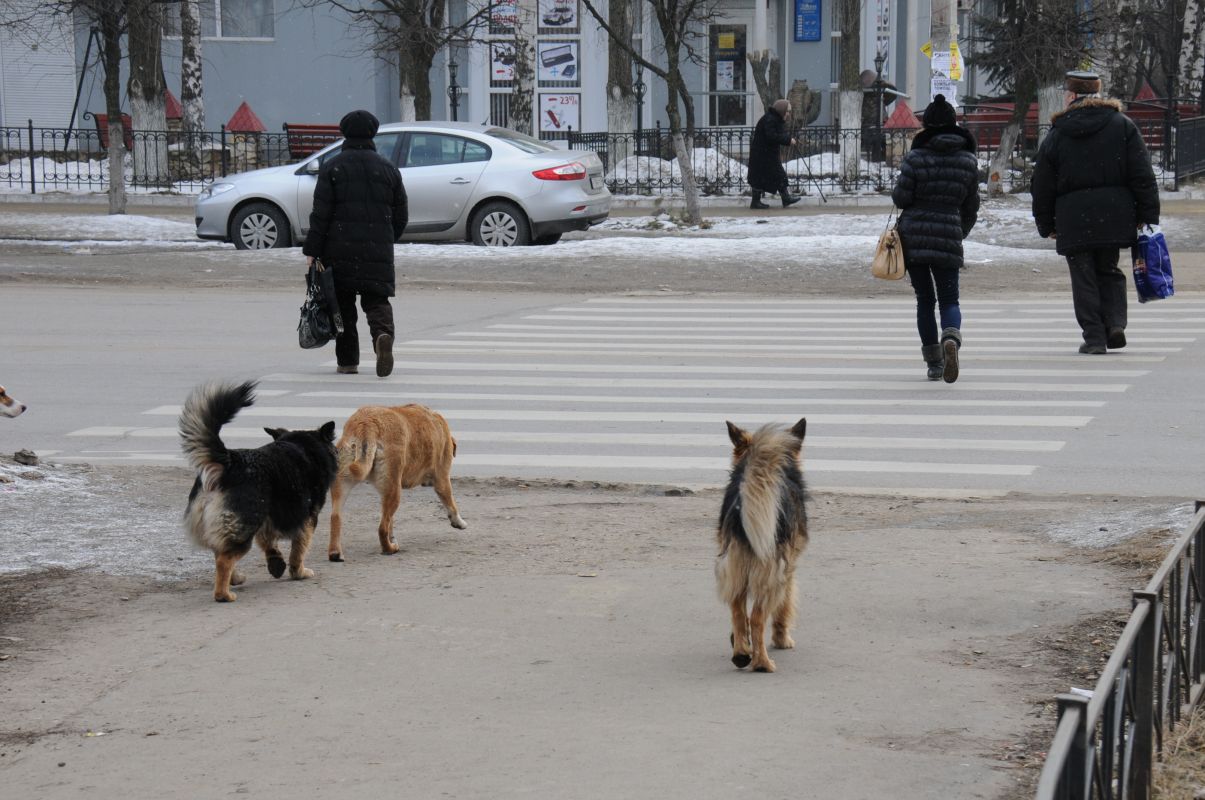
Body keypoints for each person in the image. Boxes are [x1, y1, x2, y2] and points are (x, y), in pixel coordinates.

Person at [1030, 70, 1160, 354]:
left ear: (1073, 96)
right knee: (1109, 269)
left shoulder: (1058, 132)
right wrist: (1148, 215)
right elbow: (1142, 175)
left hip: (1073, 217)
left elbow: (1042, 184)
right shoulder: (1122, 125)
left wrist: (1045, 222)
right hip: (1115, 214)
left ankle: (1094, 337)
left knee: (1083, 275)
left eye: (1066, 93)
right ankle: (1115, 324)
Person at [303, 109, 408, 377]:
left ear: (344, 133)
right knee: (377, 301)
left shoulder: (333, 168)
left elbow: (321, 214)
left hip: (337, 251)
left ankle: (348, 361)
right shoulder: (388, 168)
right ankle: (382, 335)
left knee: (342, 307)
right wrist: (384, 239)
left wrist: (313, 251)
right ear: (373, 133)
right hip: (377, 250)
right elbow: (401, 214)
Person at [890, 94, 980, 383]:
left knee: (925, 300)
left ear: (926, 126)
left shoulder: (915, 158)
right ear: (954, 125)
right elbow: (971, 206)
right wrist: (958, 231)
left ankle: (934, 363)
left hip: (914, 236)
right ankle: (951, 336)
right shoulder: (968, 161)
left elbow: (901, 198)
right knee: (949, 299)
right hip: (948, 232)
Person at [747, 99, 801, 209]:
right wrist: (788, 140)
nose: (789, 114)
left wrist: (787, 138)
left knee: (775, 174)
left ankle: (784, 198)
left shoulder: (774, 119)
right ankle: (757, 202)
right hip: (762, 154)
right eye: (787, 111)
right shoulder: (770, 119)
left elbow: (777, 134)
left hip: (766, 154)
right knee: (761, 177)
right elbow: (771, 136)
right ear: (781, 111)